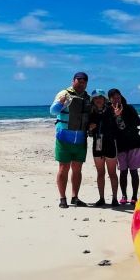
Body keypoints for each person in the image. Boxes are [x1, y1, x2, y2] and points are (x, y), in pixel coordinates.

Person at [50, 72, 91, 208]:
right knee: (63, 168)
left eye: (84, 81)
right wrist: (61, 103)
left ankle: (75, 197)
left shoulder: (87, 98)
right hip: (64, 137)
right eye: (79, 80)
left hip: (80, 139)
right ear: (73, 80)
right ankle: (62, 198)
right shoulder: (64, 94)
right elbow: (53, 111)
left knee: (77, 169)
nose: (81, 83)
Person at [108, 88, 140, 204]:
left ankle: (134, 197)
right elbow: (111, 129)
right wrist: (116, 116)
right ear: (109, 99)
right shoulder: (109, 111)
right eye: (113, 98)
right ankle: (124, 196)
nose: (116, 99)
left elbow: (138, 122)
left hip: (134, 143)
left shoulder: (129, 108)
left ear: (121, 97)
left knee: (134, 171)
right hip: (120, 145)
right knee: (123, 172)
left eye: (118, 97)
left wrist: (121, 117)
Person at [87, 89, 119, 207]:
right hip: (97, 146)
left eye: (100, 97)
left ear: (104, 99)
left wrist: (118, 116)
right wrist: (90, 128)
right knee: (100, 173)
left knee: (112, 173)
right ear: (93, 100)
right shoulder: (91, 113)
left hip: (110, 144)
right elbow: (89, 133)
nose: (98, 100)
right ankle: (101, 198)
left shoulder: (112, 110)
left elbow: (121, 127)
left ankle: (115, 199)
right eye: (95, 98)